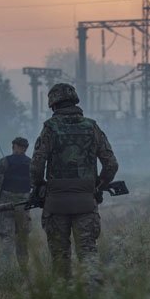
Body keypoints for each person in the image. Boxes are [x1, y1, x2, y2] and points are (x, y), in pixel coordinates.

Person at [29, 83, 118, 285]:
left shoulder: (49, 129)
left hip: (56, 204)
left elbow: (36, 166)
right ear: (75, 100)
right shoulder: (91, 127)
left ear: (53, 104)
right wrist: (98, 186)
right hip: (86, 203)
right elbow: (111, 164)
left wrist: (39, 186)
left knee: (60, 261)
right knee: (88, 257)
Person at [0, 137, 32, 271]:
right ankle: (23, 270)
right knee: (22, 239)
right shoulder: (31, 163)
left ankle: (5, 271)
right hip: (23, 206)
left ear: (14, 146)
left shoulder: (4, 162)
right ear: (25, 148)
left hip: (5, 205)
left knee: (7, 238)